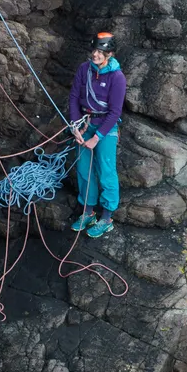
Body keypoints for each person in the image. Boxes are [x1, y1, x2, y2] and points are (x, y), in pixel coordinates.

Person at [67, 32, 126, 238]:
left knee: (106, 170)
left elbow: (115, 112)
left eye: (100, 52)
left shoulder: (117, 77)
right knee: (84, 169)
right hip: (85, 123)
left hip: (106, 127)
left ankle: (107, 218)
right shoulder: (84, 69)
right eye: (94, 50)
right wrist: (76, 125)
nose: (95, 55)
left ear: (109, 54)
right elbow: (74, 97)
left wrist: (96, 137)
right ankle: (88, 212)